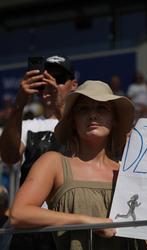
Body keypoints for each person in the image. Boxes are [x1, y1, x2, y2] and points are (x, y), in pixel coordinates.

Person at [10, 80, 147, 250]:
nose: (92, 115)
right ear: (73, 121)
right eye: (84, 109)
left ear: (114, 120)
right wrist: (85, 221)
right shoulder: (53, 163)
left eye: (101, 108)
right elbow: (18, 214)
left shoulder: (128, 171)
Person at [0, 55, 77, 250]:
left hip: (71, 224)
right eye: (44, 80)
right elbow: (9, 157)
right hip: (30, 230)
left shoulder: (82, 124)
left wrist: (61, 105)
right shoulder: (27, 126)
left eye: (59, 80)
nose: (51, 85)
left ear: (73, 85)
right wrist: (19, 104)